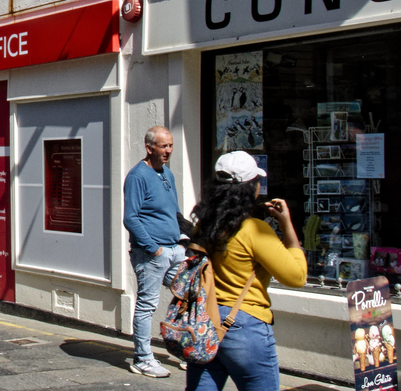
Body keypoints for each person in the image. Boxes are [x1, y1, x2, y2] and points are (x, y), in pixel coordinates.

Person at [184, 152, 306, 391]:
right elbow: (297, 276)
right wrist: (287, 225)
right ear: (251, 189)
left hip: (204, 320)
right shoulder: (254, 230)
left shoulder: (204, 224)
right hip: (243, 325)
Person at [124, 126, 186, 378]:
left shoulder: (167, 174)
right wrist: (154, 249)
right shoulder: (137, 176)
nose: (168, 150)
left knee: (190, 296)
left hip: (175, 250)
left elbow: (173, 212)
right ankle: (142, 358)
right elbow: (131, 217)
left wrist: (183, 240)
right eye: (163, 146)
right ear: (150, 148)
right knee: (147, 304)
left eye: (170, 145)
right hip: (152, 254)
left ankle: (189, 350)